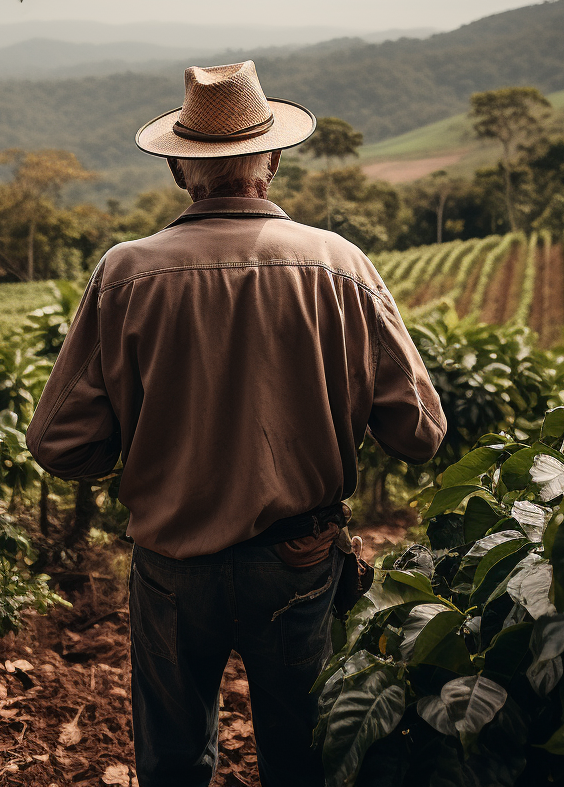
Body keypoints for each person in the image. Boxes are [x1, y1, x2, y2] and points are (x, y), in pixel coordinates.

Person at [26, 60, 446, 787]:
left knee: (174, 759)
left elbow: (58, 443)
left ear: (182, 172)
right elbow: (419, 433)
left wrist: (153, 442)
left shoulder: (125, 273)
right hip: (299, 557)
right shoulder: (340, 265)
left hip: (170, 565)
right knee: (303, 758)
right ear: (273, 161)